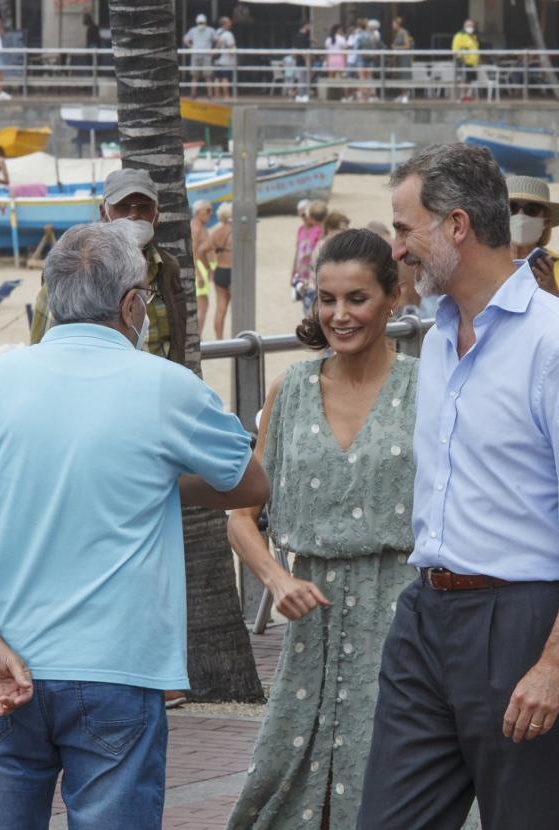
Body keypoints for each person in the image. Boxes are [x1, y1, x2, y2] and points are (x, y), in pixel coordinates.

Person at [0, 220, 268, 830]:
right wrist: (151, 479)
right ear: (129, 304)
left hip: (1, 662)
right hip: (118, 666)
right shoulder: (168, 387)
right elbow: (249, 483)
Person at [357, 143, 559, 828]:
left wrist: (557, 661)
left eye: (403, 228)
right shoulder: (439, 337)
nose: (397, 249)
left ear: (455, 226)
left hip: (525, 623)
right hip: (426, 617)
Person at [227, 229, 418, 829]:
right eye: (325, 299)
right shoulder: (291, 391)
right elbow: (240, 516)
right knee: (287, 783)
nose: (339, 314)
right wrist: (275, 579)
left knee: (402, 783)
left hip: (407, 618)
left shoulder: (430, 386)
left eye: (357, 298)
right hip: (313, 628)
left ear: (393, 298)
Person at [30, 169, 187, 366]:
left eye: (144, 207)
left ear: (156, 215)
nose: (134, 215)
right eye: (123, 207)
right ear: (104, 213)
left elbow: (176, 341)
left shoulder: (168, 269)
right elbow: (41, 349)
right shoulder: (72, 269)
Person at [506, 175, 559, 304]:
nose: (520, 216)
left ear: (546, 220)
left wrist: (552, 290)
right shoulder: (487, 260)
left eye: (531, 210)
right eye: (512, 208)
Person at [206, 202, 234, 339]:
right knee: (238, 309)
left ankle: (219, 339)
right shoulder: (235, 231)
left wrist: (208, 267)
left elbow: (201, 250)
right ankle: (238, 338)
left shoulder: (215, 232)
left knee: (220, 309)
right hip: (232, 272)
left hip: (219, 271)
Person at [291, 199, 324, 313]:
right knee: (305, 301)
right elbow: (298, 250)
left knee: (313, 304)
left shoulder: (319, 229)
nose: (304, 217)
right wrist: (293, 272)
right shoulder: (300, 230)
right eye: (302, 214)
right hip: (302, 273)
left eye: (306, 214)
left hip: (313, 272)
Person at [191, 199, 214, 338]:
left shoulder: (200, 227)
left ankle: (196, 336)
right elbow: (192, 252)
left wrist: (208, 268)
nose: (210, 214)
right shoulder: (196, 228)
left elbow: (201, 253)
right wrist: (198, 274)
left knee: (202, 307)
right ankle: (196, 337)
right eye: (208, 210)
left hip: (200, 268)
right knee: (202, 307)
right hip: (197, 270)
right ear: (198, 212)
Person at [184, 14, 215, 98]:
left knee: (208, 76)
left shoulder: (210, 30)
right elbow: (185, 39)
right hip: (196, 54)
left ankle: (210, 95)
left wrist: (214, 50)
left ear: (205, 22)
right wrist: (192, 47)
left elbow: (218, 40)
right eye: (200, 22)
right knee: (195, 76)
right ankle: (193, 94)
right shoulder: (193, 30)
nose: (201, 24)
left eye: (202, 22)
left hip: (206, 55)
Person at [451, 20, 480, 102]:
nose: (470, 27)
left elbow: (475, 48)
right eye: (468, 25)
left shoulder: (474, 36)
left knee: (471, 80)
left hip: (473, 62)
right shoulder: (459, 35)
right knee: (464, 79)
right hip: (464, 61)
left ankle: (468, 96)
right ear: (464, 26)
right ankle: (462, 96)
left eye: (471, 26)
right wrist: (460, 57)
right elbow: (455, 48)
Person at [391, 17, 414, 103]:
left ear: (397, 24)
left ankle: (406, 95)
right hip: (399, 58)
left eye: (393, 24)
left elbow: (407, 45)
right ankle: (401, 94)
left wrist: (397, 47)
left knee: (405, 74)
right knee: (400, 75)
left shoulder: (404, 32)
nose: (392, 26)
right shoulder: (397, 33)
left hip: (405, 57)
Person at [213, 17, 237, 99]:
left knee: (217, 78)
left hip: (217, 59)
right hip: (226, 60)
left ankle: (217, 95)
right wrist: (235, 59)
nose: (231, 23)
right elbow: (231, 48)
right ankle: (226, 96)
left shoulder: (217, 32)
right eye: (229, 22)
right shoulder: (228, 34)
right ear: (225, 24)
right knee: (225, 78)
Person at [293, 21, 313, 102]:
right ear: (305, 25)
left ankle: (301, 94)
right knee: (302, 79)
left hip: (300, 60)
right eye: (309, 25)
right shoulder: (302, 37)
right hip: (302, 61)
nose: (310, 27)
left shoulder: (299, 36)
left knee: (302, 78)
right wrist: (307, 62)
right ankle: (301, 95)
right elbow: (303, 51)